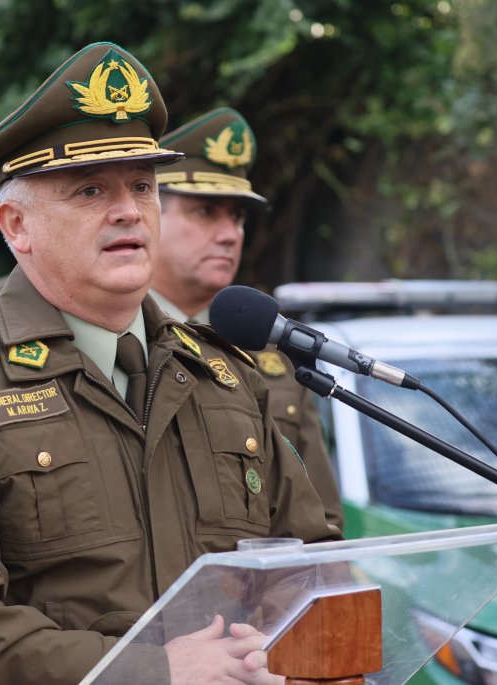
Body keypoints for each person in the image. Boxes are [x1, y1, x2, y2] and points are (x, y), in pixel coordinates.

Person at [0, 42, 339, 685]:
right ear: (17, 226)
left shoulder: (226, 379)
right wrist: (149, 673)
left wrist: (286, 654)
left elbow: (306, 562)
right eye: (90, 189)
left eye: (142, 187)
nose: (127, 210)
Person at [151, 108, 344, 530]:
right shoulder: (103, 336)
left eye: (237, 217)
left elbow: (322, 522)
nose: (230, 233)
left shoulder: (269, 349)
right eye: (206, 212)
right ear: (148, 215)